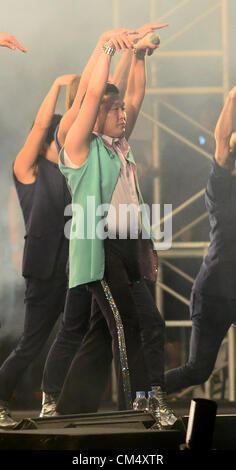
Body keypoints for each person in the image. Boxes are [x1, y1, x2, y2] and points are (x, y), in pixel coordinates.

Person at [55, 25, 177, 428]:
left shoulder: (118, 147)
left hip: (130, 246)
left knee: (133, 326)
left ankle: (71, 404)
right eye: (113, 109)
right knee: (128, 326)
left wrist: (138, 54)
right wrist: (106, 45)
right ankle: (142, 400)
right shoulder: (78, 149)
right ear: (91, 119)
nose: (122, 113)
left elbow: (135, 95)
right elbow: (92, 95)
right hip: (102, 248)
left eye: (120, 109)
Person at [0, 74, 77, 428]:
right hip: (43, 269)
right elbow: (44, 124)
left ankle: (52, 399)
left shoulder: (68, 172)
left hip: (72, 267)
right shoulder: (29, 169)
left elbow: (81, 120)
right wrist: (58, 88)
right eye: (58, 138)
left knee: (72, 333)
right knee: (31, 342)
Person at [165, 86, 236, 394]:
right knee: (198, 370)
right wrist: (232, 99)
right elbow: (221, 141)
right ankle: (145, 393)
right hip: (215, 292)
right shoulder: (221, 186)